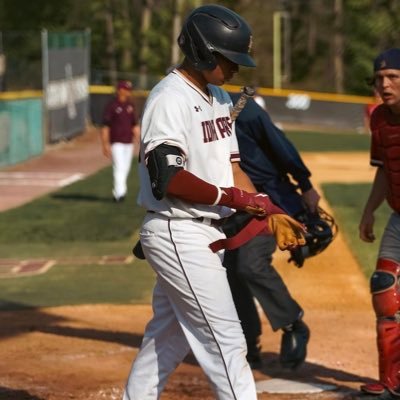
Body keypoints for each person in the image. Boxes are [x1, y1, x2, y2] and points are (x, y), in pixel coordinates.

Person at [122, 5, 306, 399]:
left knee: (165, 341)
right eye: (229, 59)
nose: (237, 69)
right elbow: (168, 176)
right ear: (204, 52)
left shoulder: (221, 97)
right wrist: (231, 198)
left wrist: (269, 208)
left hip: (201, 232)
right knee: (226, 341)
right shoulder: (168, 98)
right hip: (179, 230)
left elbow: (232, 168)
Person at [223, 94, 321, 370]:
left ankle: (293, 324)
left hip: (268, 199)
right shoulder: (192, 113)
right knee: (230, 271)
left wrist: (305, 185)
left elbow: (280, 145)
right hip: (229, 205)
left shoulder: (243, 109)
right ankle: (246, 342)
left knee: (250, 265)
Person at [359, 48, 400, 400]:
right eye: (379, 79)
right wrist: (369, 210)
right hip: (398, 217)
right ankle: (392, 383)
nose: (384, 84)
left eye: (393, 78)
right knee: (384, 288)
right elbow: (385, 170)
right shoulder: (379, 120)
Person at [101, 80, 140, 202]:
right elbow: (105, 127)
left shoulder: (130, 105)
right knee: (119, 167)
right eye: (126, 89)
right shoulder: (112, 106)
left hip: (128, 142)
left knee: (126, 168)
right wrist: (105, 144)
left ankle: (120, 192)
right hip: (116, 142)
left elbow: (134, 125)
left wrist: (140, 140)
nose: (128, 92)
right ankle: (119, 194)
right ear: (120, 90)